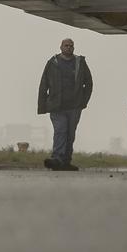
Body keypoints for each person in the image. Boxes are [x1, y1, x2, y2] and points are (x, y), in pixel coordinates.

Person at [37, 37, 93, 171]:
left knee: (70, 134)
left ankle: (66, 162)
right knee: (60, 130)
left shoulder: (80, 62)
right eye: (66, 45)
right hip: (56, 106)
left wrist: (83, 102)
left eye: (71, 46)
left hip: (74, 106)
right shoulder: (52, 63)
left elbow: (89, 83)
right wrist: (42, 106)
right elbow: (44, 84)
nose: (69, 47)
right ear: (61, 47)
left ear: (73, 48)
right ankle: (57, 158)